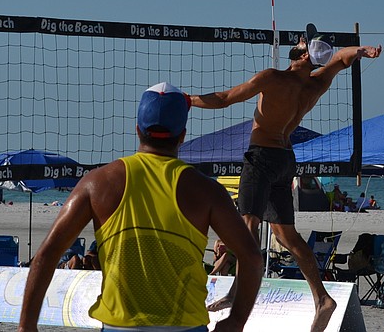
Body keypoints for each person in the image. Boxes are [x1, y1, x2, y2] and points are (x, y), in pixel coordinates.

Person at [18, 82, 262, 332]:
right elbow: (252, 258)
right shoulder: (207, 190)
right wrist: (236, 321)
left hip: (119, 326)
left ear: (137, 130)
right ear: (182, 136)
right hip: (185, 325)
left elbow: (46, 255)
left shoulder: (96, 183)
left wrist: (26, 325)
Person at [190, 30, 382, 332]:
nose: (297, 43)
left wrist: (189, 100)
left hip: (262, 157)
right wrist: (362, 50)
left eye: (302, 42)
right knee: (286, 237)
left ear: (304, 54)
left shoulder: (273, 77)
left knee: (248, 225)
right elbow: (342, 58)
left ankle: (238, 293)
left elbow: (225, 99)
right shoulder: (318, 82)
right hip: (285, 160)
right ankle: (322, 299)